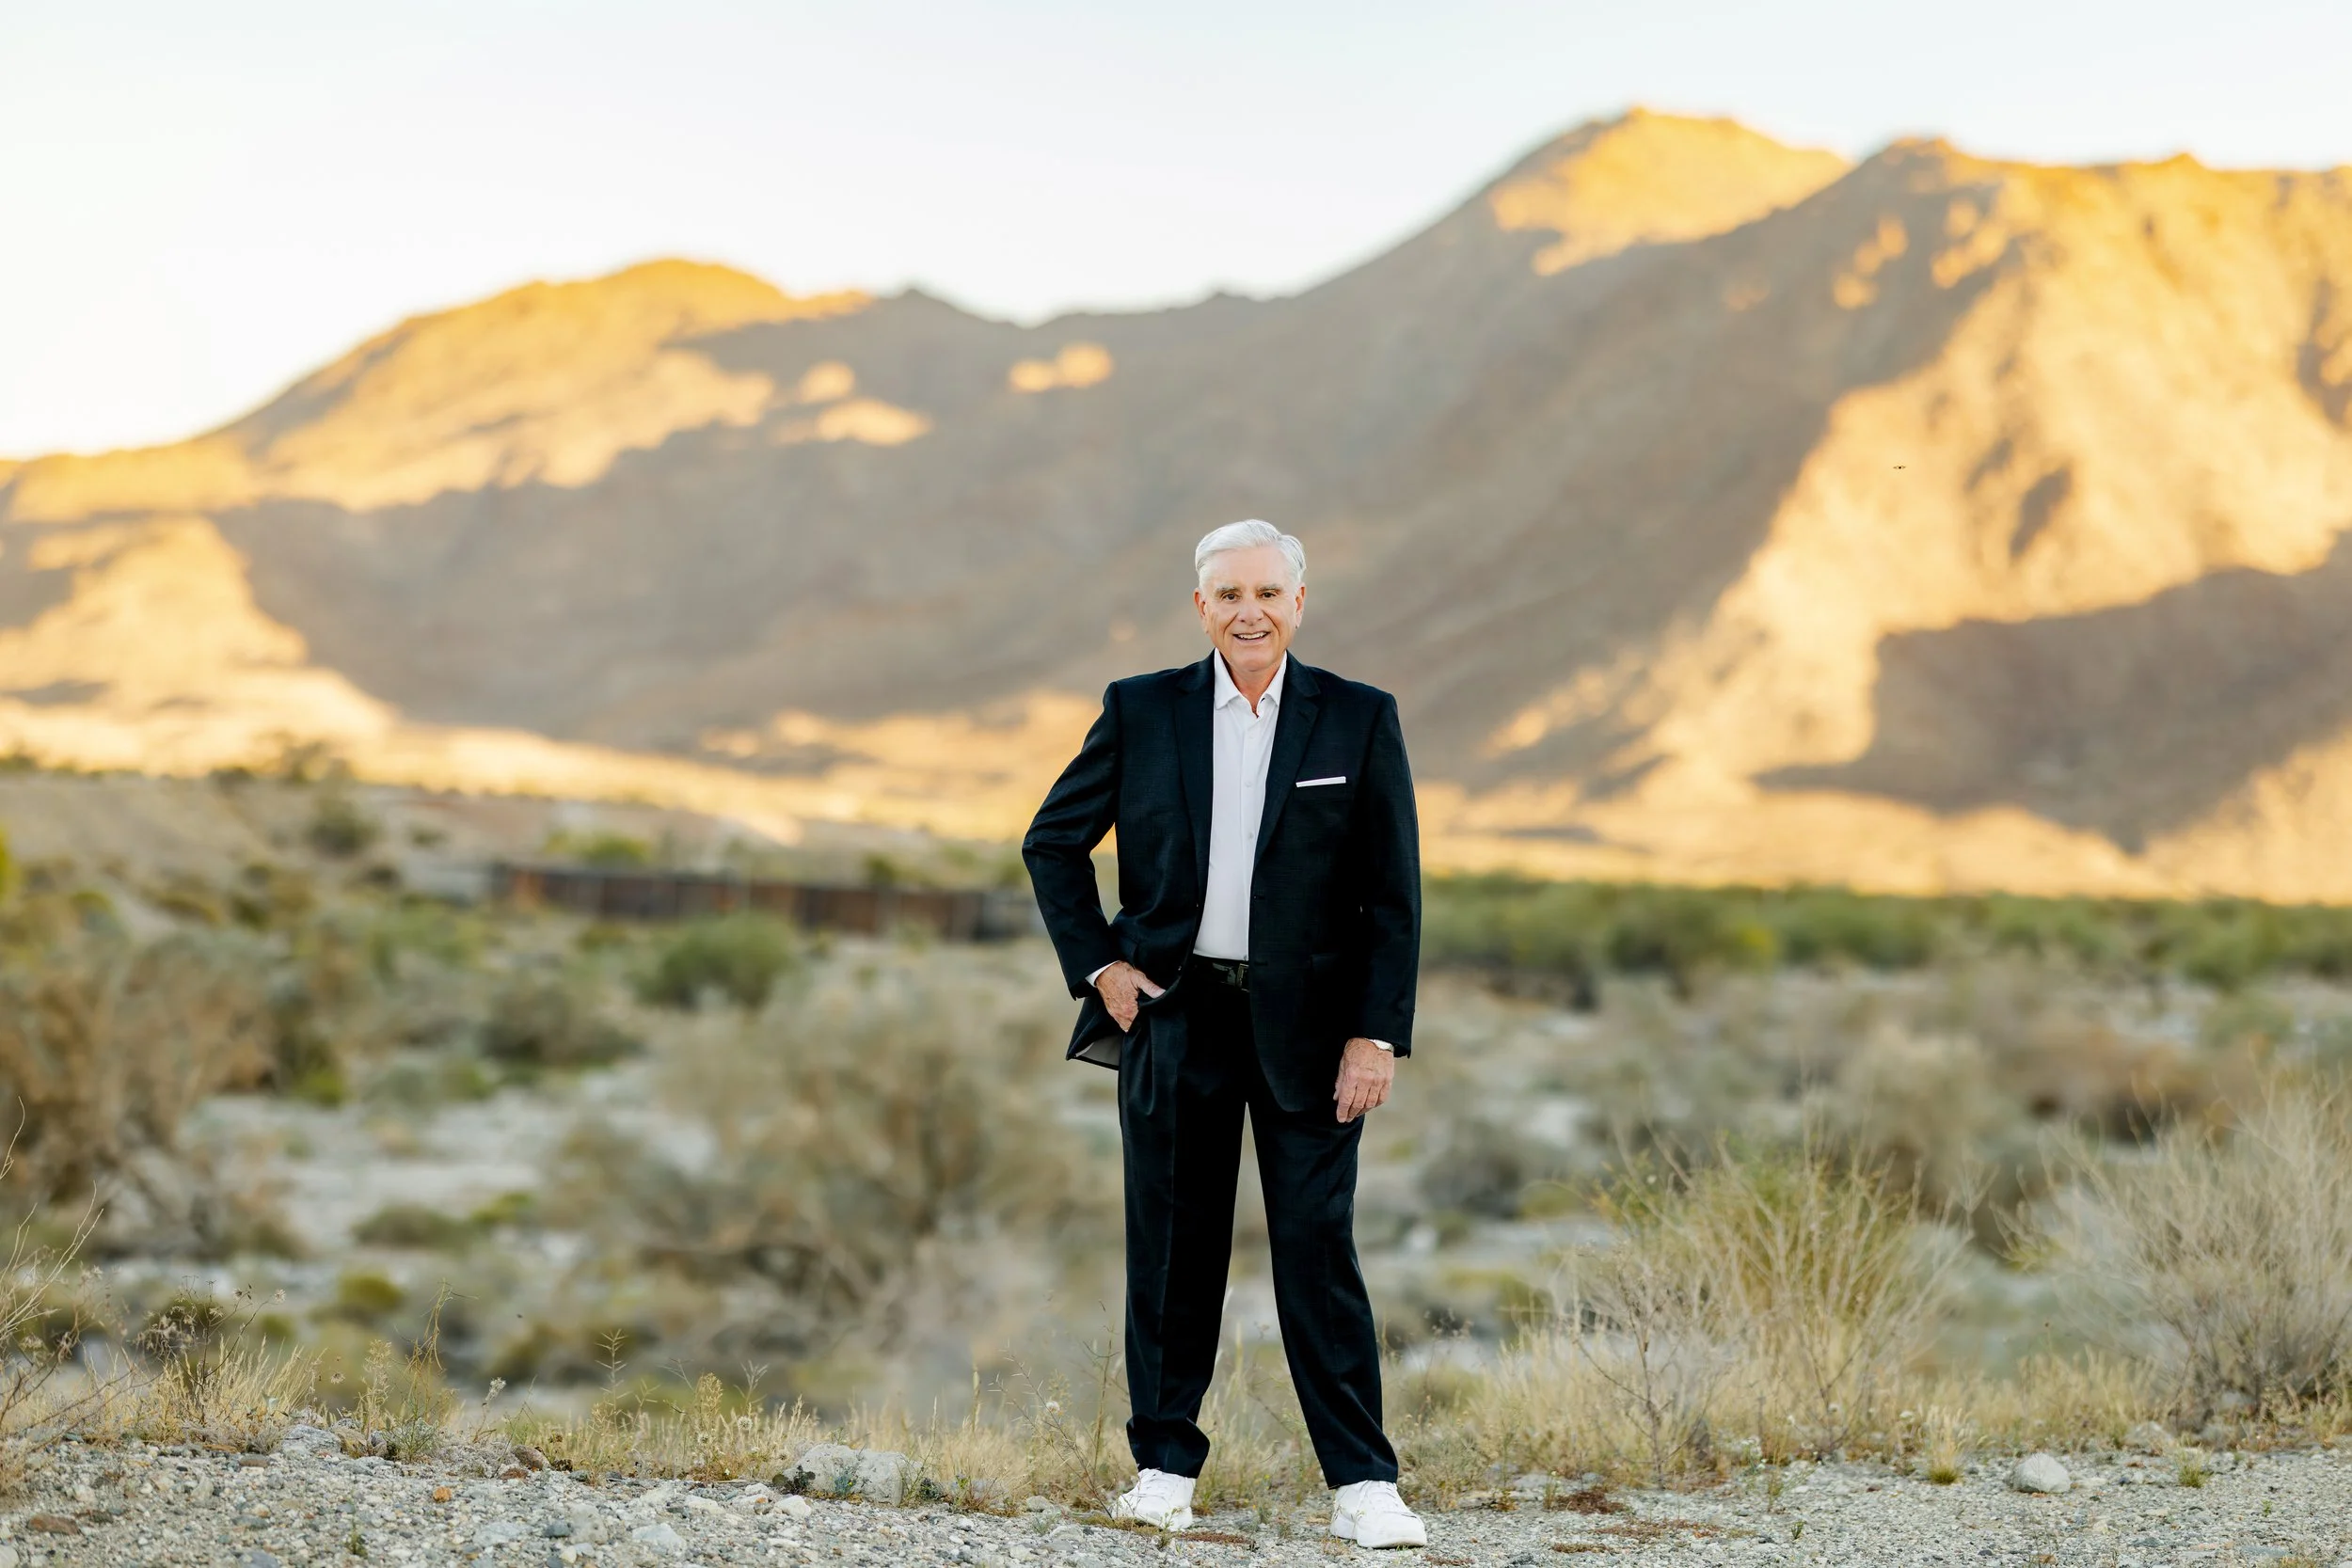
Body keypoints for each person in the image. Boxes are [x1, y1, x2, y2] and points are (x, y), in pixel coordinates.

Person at [1023, 519, 1426, 1548]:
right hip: (1175, 1016)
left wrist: (1374, 1037)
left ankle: (1363, 1483)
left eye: (1267, 592)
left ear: (1300, 600)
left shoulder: (1359, 718)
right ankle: (1162, 1466)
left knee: (1315, 1248)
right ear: (1200, 607)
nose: (1249, 610)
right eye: (1228, 594)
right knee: (1170, 1249)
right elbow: (1053, 840)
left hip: (1314, 1032)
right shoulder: (1141, 708)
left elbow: (1391, 894)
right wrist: (1102, 964)